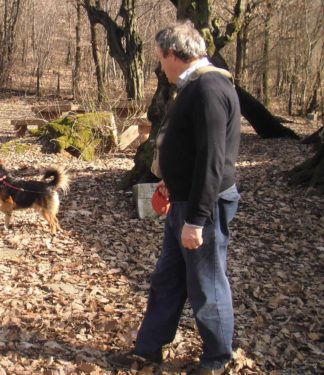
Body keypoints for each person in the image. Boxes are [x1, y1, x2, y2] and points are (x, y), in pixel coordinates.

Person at [108, 21, 241, 375]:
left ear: (171, 53)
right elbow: (192, 151)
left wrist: (197, 219)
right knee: (167, 279)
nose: (159, 66)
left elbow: (214, 160)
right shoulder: (194, 87)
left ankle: (217, 360)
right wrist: (172, 183)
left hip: (204, 206)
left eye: (159, 59)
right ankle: (148, 350)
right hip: (184, 200)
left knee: (207, 283)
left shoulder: (210, 87)